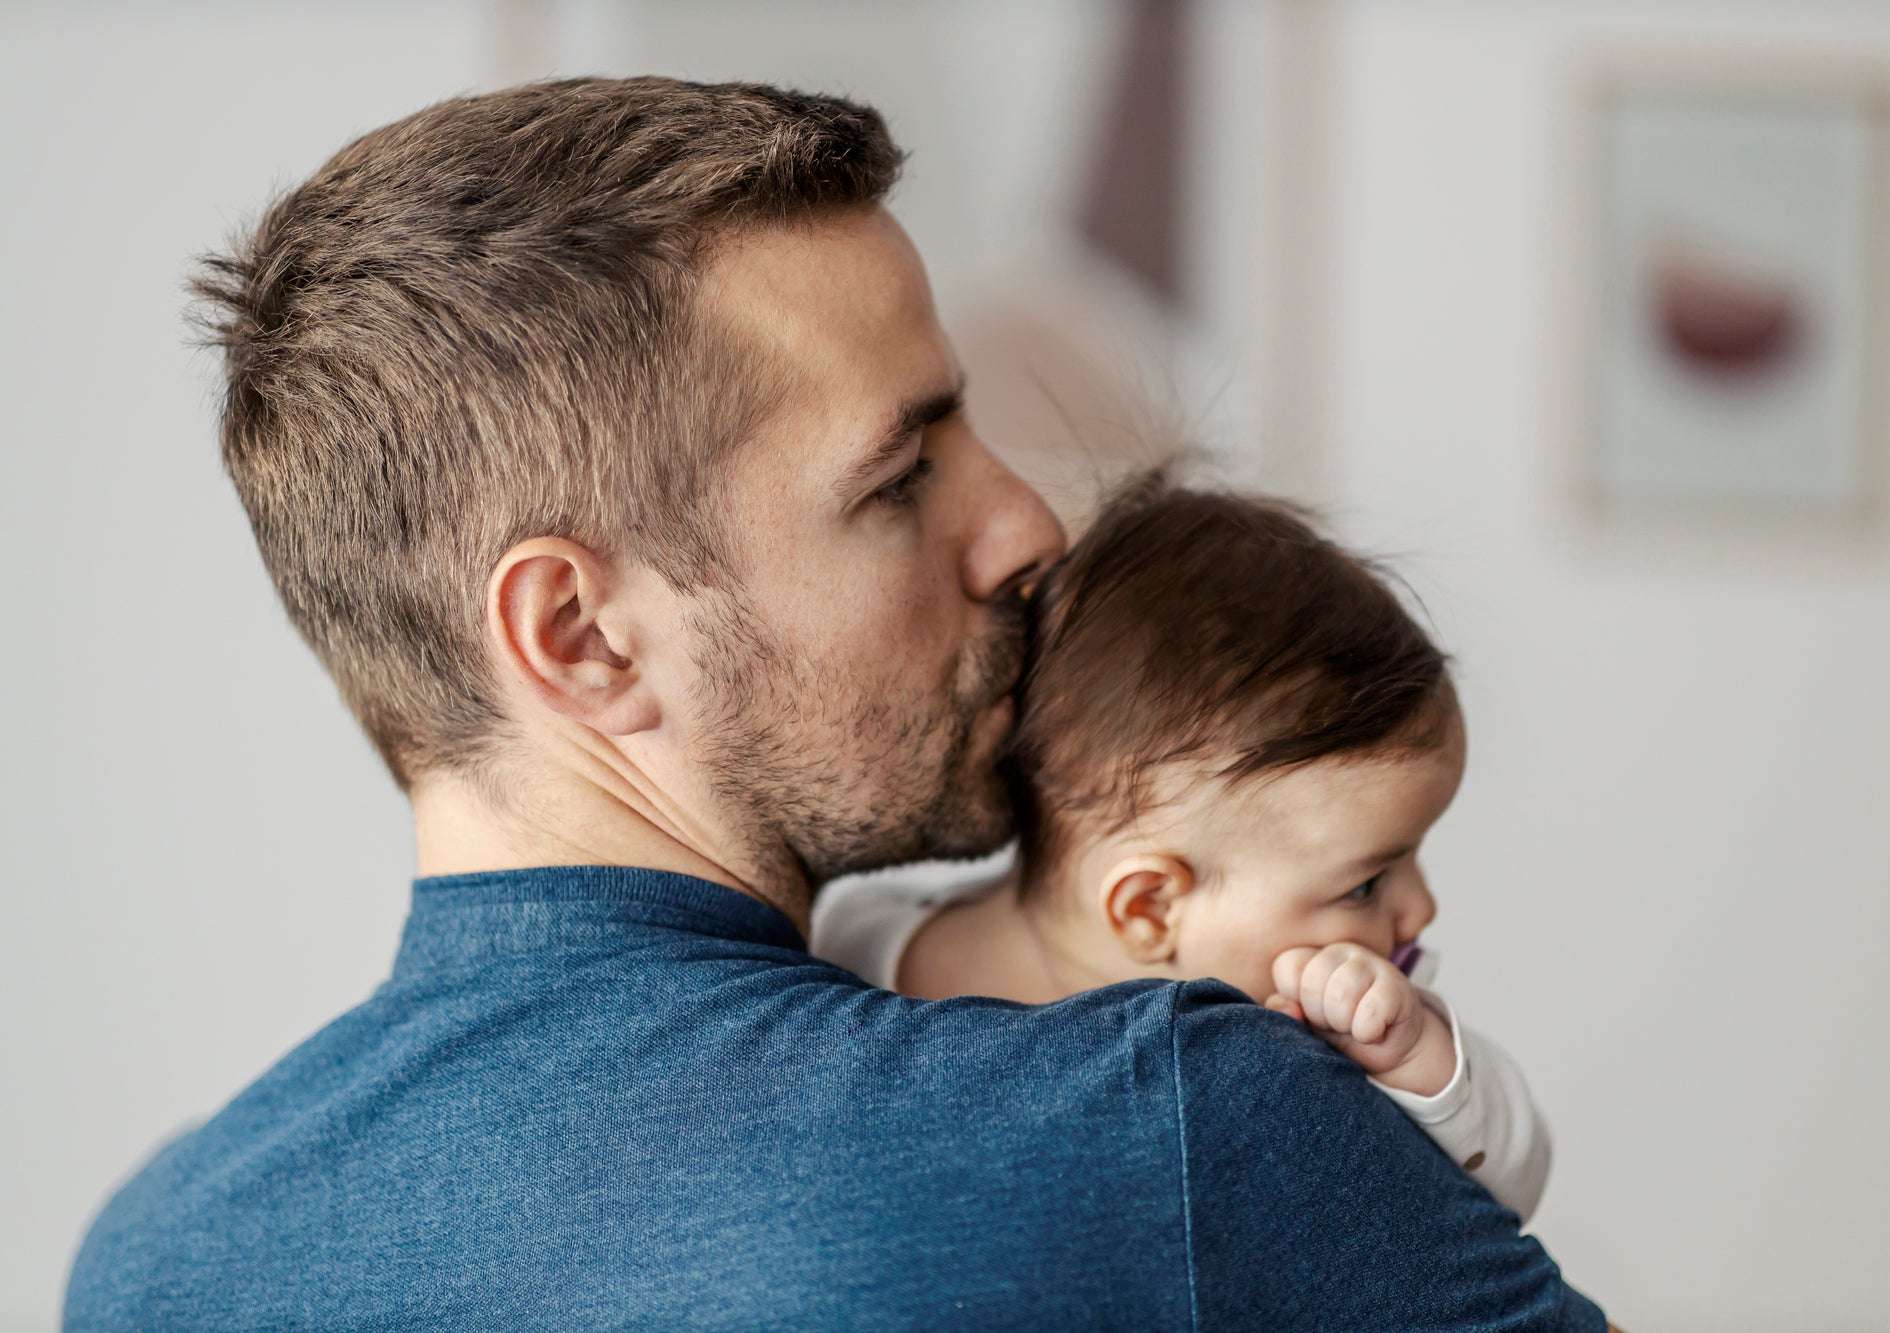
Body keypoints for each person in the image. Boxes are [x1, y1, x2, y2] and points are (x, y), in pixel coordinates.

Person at [63, 76, 1614, 1330]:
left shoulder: (151, 1266)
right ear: (582, 634)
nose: (1026, 527)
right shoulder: (1179, 1117)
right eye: (900, 475)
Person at [815, 471, 1552, 1221]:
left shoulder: (1344, 1022)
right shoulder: (853, 949)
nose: (1421, 906)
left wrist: (1423, 1063)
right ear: (1151, 906)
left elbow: (1510, 1190)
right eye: (1365, 883)